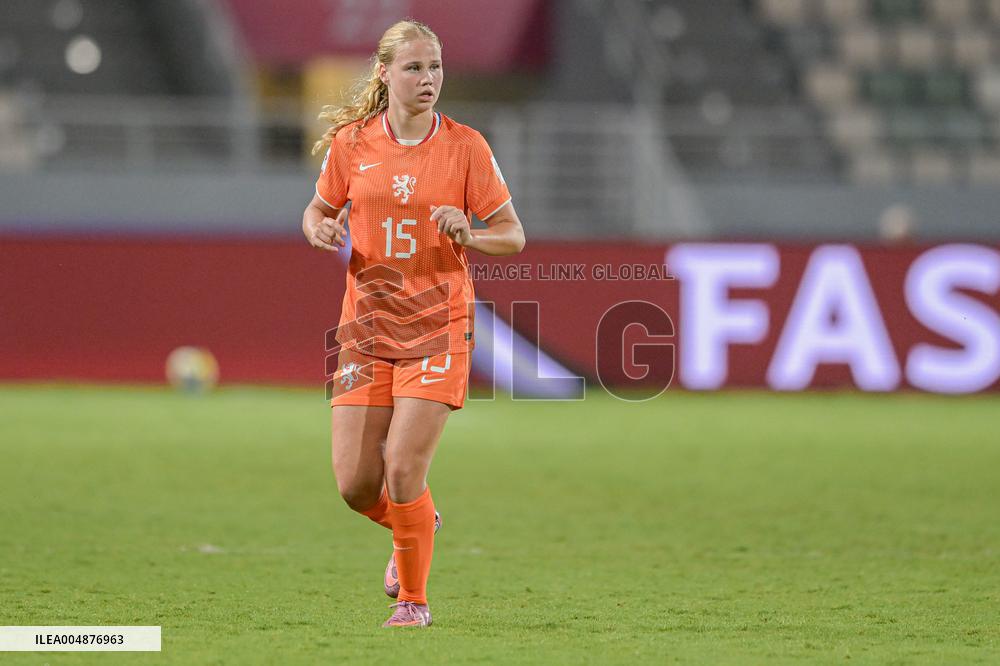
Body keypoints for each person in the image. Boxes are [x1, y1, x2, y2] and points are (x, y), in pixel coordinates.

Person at [300, 19, 526, 628]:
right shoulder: (352, 144)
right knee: (355, 485)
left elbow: (513, 235)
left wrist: (470, 235)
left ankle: (413, 603)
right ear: (385, 73)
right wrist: (320, 229)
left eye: (436, 67)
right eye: (414, 67)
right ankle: (420, 520)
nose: (429, 79)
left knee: (402, 469)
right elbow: (317, 210)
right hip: (365, 330)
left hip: (438, 326)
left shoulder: (466, 147)